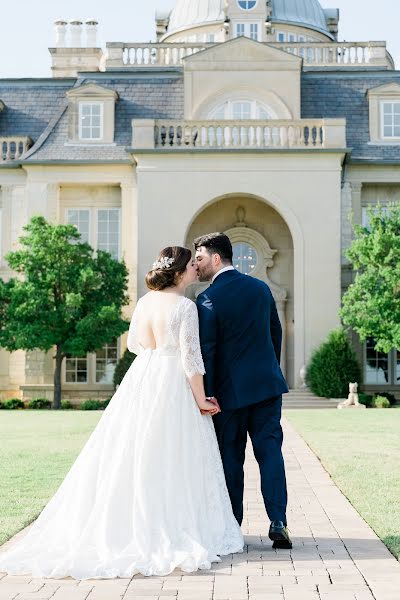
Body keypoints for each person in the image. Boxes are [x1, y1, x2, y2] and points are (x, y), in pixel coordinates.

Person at [0, 246, 243, 580]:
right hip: (172, 381)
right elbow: (191, 361)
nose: (194, 271)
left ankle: (132, 521)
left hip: (143, 378)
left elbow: (134, 345)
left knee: (135, 449)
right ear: (179, 272)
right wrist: (201, 399)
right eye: (190, 266)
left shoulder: (144, 302)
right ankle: (172, 524)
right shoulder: (186, 307)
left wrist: (156, 354)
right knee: (174, 453)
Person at [195, 232, 292, 549]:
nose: (196, 265)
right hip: (266, 388)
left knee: (231, 460)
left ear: (217, 258)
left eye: (200, 258)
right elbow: (274, 335)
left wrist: (207, 394)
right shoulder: (261, 289)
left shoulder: (208, 299)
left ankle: (233, 526)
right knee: (270, 454)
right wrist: (267, 371)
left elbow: (207, 350)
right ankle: (278, 521)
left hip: (228, 396)